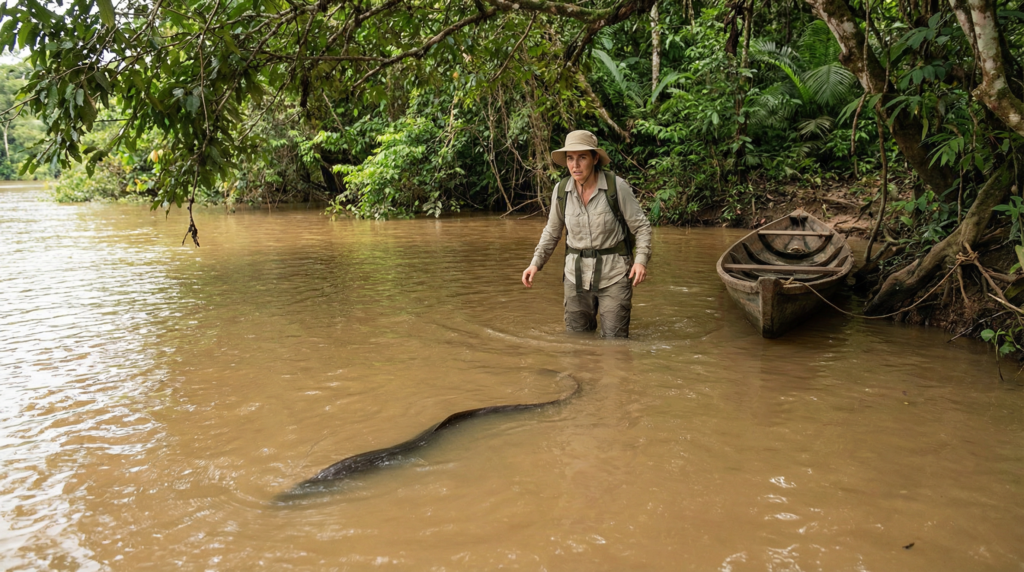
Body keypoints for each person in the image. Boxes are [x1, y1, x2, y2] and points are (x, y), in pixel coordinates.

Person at [521, 130, 652, 338]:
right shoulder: (561, 190)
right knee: (577, 342)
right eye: (570, 158)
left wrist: (641, 261)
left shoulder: (616, 187)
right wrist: (535, 263)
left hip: (615, 275)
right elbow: (552, 232)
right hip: (575, 277)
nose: (575, 165)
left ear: (595, 158)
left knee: (616, 343)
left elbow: (641, 227)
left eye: (582, 157)